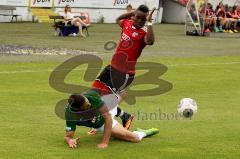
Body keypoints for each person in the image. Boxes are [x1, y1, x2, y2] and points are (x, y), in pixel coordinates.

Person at [91, 4, 156, 130]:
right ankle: (125, 115)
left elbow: (150, 41)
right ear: (134, 16)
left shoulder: (143, 33)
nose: (139, 21)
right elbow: (117, 20)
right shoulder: (127, 23)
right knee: (94, 94)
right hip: (111, 67)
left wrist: (150, 24)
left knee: (106, 100)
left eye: (143, 19)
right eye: (137, 17)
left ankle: (100, 124)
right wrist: (131, 13)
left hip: (125, 73)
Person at [64, 90, 159, 149]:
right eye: (87, 105)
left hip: (105, 109)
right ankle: (124, 115)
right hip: (100, 121)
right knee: (133, 139)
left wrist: (104, 142)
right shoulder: (71, 115)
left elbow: (108, 118)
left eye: (87, 101)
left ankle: (144, 132)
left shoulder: (90, 97)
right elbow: (68, 136)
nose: (89, 103)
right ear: (79, 109)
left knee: (135, 138)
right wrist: (70, 141)